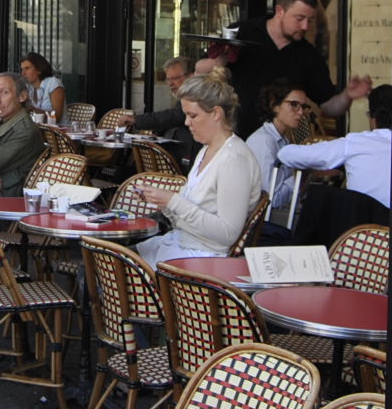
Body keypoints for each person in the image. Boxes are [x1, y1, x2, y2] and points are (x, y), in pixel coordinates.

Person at [136, 75, 264, 264]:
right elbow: (187, 218)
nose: (187, 122)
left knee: (107, 265)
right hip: (182, 245)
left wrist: (172, 201)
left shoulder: (234, 159)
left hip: (202, 261)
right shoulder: (207, 149)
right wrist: (165, 203)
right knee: (104, 261)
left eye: (193, 115)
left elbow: (227, 233)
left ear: (216, 114)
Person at [224, 0, 370, 137]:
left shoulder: (308, 55)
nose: (305, 26)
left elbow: (329, 106)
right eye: (299, 18)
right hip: (233, 137)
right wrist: (218, 59)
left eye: (310, 20)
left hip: (280, 147)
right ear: (280, 11)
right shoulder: (242, 32)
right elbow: (201, 71)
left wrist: (347, 96)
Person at [278, 83, 392, 244]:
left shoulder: (355, 143)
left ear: (373, 118)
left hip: (357, 241)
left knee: (320, 195)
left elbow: (286, 155)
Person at [245, 81, 318, 216]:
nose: (301, 112)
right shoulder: (263, 142)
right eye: (294, 105)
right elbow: (270, 200)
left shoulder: (284, 140)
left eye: (304, 106)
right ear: (275, 105)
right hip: (268, 224)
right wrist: (300, 173)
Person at [132, 56, 202, 163]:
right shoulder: (184, 98)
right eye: (168, 79)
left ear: (191, 76)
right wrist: (157, 133)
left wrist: (137, 120)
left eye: (174, 78)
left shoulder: (199, 96)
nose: (170, 84)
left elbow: (176, 116)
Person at [18, 52, 66, 124]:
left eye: (27, 68)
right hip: (37, 131)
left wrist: (32, 109)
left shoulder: (53, 83)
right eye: (22, 69)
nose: (23, 73)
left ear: (39, 69)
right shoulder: (28, 87)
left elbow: (57, 117)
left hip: (58, 131)